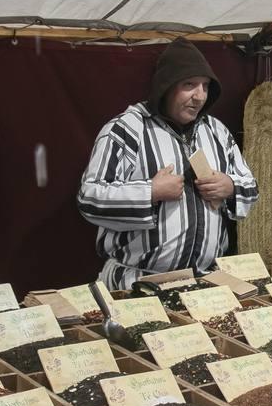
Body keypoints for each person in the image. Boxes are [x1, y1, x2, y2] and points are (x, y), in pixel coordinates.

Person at [77, 39, 258, 289]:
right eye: (189, 85)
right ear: (166, 86)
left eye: (205, 86)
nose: (200, 96)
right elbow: (89, 199)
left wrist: (229, 186)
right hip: (137, 282)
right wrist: (150, 192)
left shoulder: (217, 132)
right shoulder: (126, 130)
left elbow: (251, 187)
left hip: (204, 282)